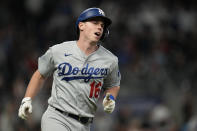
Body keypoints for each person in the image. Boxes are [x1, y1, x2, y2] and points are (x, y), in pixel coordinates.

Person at [18, 7, 121, 131]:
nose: (99, 27)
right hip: (57, 117)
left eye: (102, 25)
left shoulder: (110, 60)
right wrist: (27, 99)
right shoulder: (58, 51)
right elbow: (40, 74)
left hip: (85, 124)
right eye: (95, 23)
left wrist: (110, 98)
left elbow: (113, 84)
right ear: (81, 25)